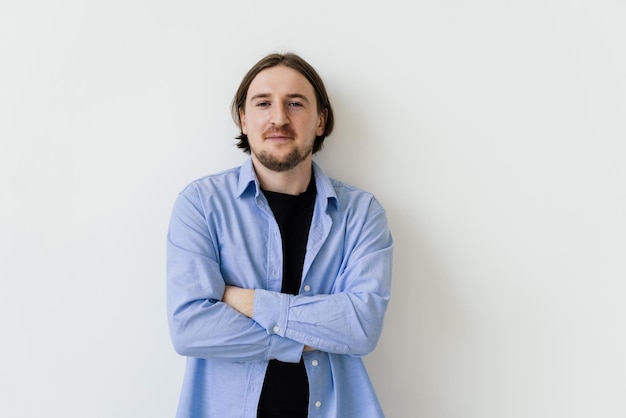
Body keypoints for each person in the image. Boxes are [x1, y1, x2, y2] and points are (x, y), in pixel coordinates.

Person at [166, 52, 393, 418]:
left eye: (295, 103)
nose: (279, 118)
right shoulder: (201, 204)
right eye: (263, 103)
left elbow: (361, 327)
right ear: (243, 118)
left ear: (321, 121)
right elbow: (190, 328)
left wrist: (248, 301)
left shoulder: (361, 214)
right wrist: (305, 337)